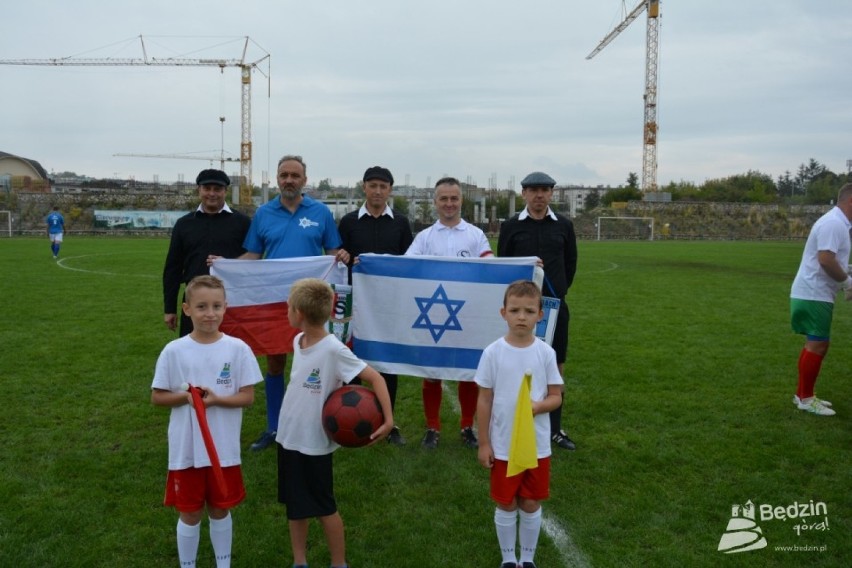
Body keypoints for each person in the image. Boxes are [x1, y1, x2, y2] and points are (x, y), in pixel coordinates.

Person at [234, 155, 350, 451]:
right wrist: (223, 267)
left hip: (312, 301)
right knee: (275, 362)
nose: (289, 180)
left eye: (294, 175)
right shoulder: (263, 213)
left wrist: (342, 256)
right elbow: (252, 256)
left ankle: (318, 423)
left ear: (304, 180)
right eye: (283, 175)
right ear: (277, 179)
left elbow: (333, 250)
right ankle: (274, 427)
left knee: (317, 362)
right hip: (276, 303)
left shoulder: (321, 212)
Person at [276, 278, 393, 568]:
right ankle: (299, 561)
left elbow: (375, 378)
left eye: (288, 307)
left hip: (314, 442)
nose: (286, 311)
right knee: (295, 506)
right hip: (288, 436)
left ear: (299, 313)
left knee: (324, 507)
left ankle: (339, 563)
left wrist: (388, 420)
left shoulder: (333, 349)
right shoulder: (298, 340)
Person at [151, 275, 264, 568]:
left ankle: (222, 564)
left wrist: (215, 400)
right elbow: (158, 397)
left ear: (226, 307)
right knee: (189, 512)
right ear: (187, 309)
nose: (209, 314)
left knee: (219, 508)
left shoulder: (238, 349)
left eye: (216, 306)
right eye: (201, 307)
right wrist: (185, 397)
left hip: (222, 449)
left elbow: (247, 397)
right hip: (186, 450)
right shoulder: (173, 351)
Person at [475, 280, 564, 568]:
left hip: (536, 447)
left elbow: (556, 397)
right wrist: (485, 442)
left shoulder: (545, 353)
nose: (521, 317)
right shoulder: (493, 353)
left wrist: (539, 406)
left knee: (530, 502)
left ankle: (527, 558)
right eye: (515, 310)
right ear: (503, 313)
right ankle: (508, 559)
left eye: (529, 311)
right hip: (502, 446)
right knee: (506, 502)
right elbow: (485, 399)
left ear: (540, 314)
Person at [405, 176, 493, 449]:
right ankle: (433, 427)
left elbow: (492, 266)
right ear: (435, 202)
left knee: (468, 371)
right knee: (432, 372)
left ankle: (467, 426)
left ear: (461, 200)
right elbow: (403, 267)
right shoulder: (424, 237)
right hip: (433, 317)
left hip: (467, 315)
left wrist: (526, 265)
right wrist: (370, 262)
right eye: (443, 198)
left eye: (454, 198)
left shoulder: (475, 235)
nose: (449, 203)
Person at [497, 171, 578, 450]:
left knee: (554, 367)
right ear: (524, 194)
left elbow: (571, 265)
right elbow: (504, 264)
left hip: (554, 308)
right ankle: (511, 423)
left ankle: (554, 429)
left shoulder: (564, 226)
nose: (539, 195)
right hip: (520, 310)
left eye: (544, 190)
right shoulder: (511, 226)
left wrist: (556, 292)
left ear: (552, 194)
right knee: (515, 363)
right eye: (533, 190)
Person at [338, 165, 413, 446]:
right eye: (373, 186)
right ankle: (350, 418)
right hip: (356, 304)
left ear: (390, 190)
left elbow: (410, 261)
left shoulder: (401, 223)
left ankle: (387, 421)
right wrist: (343, 254)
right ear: (364, 187)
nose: (378, 191)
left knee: (386, 363)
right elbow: (338, 255)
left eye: (383, 186)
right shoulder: (348, 222)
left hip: (389, 306)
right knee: (351, 360)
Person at [163, 169, 251, 337]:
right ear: (199, 190)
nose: (212, 193)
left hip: (231, 303)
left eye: (217, 189)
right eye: (207, 188)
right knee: (192, 354)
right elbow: (172, 269)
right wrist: (169, 309)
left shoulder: (242, 223)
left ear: (225, 191)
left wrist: (229, 264)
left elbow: (253, 262)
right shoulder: (184, 224)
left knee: (231, 354)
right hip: (194, 301)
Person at [789, 182, 852, 416]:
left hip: (814, 292)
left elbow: (830, 259)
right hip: (814, 293)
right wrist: (847, 284)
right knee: (817, 344)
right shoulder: (835, 223)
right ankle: (806, 398)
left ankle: (803, 394)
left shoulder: (838, 223)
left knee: (818, 344)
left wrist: (847, 271)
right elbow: (825, 260)